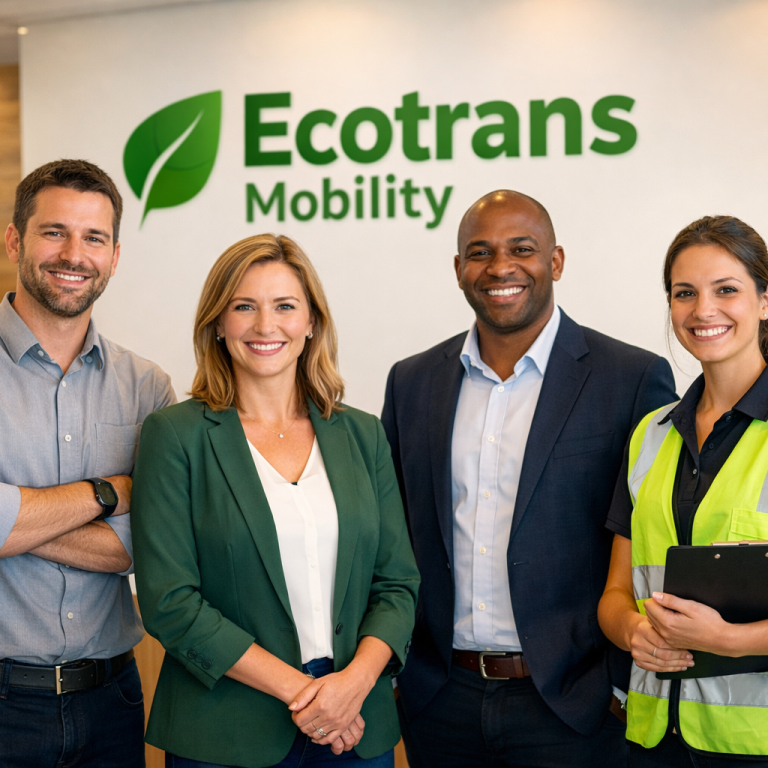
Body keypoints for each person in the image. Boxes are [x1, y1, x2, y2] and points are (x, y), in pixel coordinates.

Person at [381, 189, 677, 768]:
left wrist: (616, 688)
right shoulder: (411, 382)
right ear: (459, 269)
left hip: (574, 705)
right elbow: (393, 538)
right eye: (480, 252)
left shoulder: (631, 378)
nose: (500, 267)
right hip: (440, 701)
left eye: (522, 249)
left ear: (556, 261)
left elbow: (651, 533)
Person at [131, 234, 420, 768]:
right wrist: (309, 696)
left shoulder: (363, 435)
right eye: (244, 306)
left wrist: (352, 687)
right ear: (218, 323)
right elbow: (169, 601)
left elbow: (397, 584)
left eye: (285, 306)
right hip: (227, 732)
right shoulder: (175, 436)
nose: (266, 325)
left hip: (355, 725)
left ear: (311, 322)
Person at [0, 159, 175, 767]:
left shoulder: (147, 388)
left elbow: (147, 546)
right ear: (15, 240)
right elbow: (122, 524)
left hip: (112, 702)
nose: (74, 255)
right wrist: (107, 493)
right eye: (54, 232)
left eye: (94, 238)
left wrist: (15, 520)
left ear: (115, 256)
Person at [598, 215, 768, 766]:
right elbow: (615, 594)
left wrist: (729, 641)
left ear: (765, 301)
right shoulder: (651, 435)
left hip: (753, 748)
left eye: (727, 290)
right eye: (684, 293)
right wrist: (632, 631)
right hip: (654, 743)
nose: (703, 310)